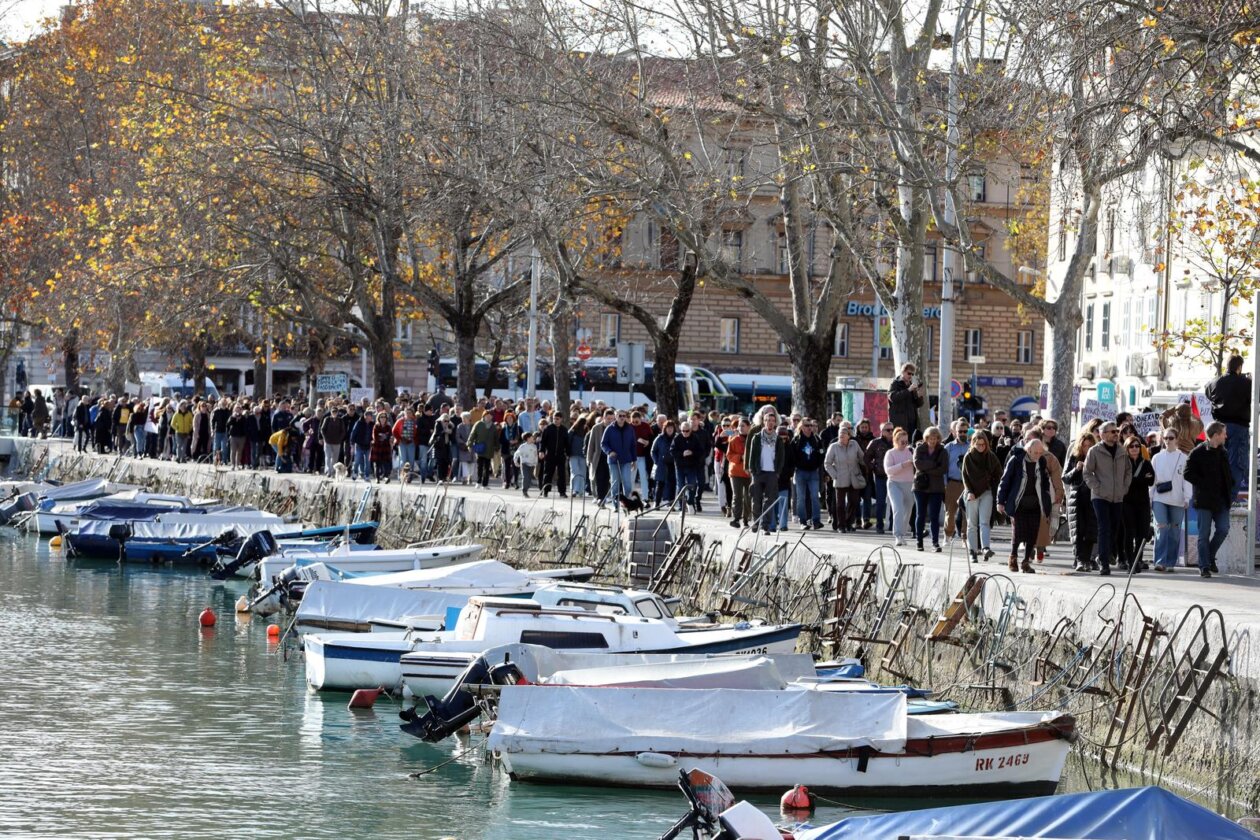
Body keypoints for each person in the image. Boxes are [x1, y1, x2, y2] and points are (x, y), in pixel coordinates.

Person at [1184, 422, 1233, 578]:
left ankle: (1209, 556)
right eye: (1224, 433)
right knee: (1203, 534)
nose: (1226, 436)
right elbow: (1187, 473)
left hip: (1222, 500)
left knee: (1223, 529)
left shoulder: (1223, 452)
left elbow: (1227, 474)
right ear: (1216, 434)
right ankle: (1204, 565)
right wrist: (1205, 484)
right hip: (1204, 500)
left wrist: (1230, 485)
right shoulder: (1197, 452)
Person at [1082, 422, 1132, 576]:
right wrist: (1097, 487)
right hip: (1100, 497)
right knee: (1104, 528)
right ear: (1103, 434)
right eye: (1112, 431)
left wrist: (1124, 488)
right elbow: (1087, 472)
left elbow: (1128, 470)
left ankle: (1104, 555)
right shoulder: (1094, 451)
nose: (1116, 434)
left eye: (1117, 431)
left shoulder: (1122, 451)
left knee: (1114, 529)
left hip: (1117, 497)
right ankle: (1104, 563)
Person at [997, 438, 1052, 574]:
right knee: (1018, 532)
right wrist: (1000, 501)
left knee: (1032, 534)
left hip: (1035, 503)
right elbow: (1005, 481)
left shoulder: (1042, 461)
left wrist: (1046, 499)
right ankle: (1013, 557)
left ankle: (1026, 562)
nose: (1038, 456)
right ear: (1028, 450)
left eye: (1041, 453)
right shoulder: (1016, 460)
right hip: (1018, 503)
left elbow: (1045, 481)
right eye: (1036, 453)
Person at [1206, 354, 1252, 499]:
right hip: (1239, 427)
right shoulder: (1246, 383)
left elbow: (1208, 392)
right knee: (1237, 464)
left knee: (1218, 460)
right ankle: (1229, 498)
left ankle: (1217, 494)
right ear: (1239, 367)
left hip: (1219, 428)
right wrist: (1249, 381)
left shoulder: (1215, 382)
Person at [1151, 428, 1193, 572]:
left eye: (1171, 438)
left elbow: (1187, 480)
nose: (1168, 441)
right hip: (1159, 497)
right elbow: (1152, 480)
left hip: (1177, 499)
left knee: (1174, 531)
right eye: (1165, 438)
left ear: (1176, 439)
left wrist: (1187, 497)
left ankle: (1170, 562)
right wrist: (1150, 497)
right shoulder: (1157, 457)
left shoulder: (1183, 458)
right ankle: (1160, 561)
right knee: (1161, 528)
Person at [961, 430, 1002, 562]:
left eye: (983, 444)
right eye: (977, 444)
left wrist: (992, 484)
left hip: (986, 491)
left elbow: (999, 473)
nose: (980, 447)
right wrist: (970, 491)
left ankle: (985, 548)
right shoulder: (968, 457)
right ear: (973, 443)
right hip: (972, 492)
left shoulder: (991, 456)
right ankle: (972, 550)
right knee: (972, 523)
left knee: (984, 522)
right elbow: (965, 476)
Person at [744, 407, 785, 534]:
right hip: (758, 472)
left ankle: (765, 526)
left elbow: (781, 456)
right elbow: (751, 454)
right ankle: (756, 522)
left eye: (773, 420)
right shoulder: (757, 437)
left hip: (772, 473)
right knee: (756, 500)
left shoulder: (778, 439)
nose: (770, 423)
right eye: (768, 420)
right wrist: (752, 470)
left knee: (769, 500)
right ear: (764, 421)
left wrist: (778, 471)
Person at [1063, 433, 1099, 572]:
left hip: (1092, 496)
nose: (1087, 448)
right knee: (1078, 529)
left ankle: (1087, 559)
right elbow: (1065, 478)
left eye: (1090, 446)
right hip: (1077, 497)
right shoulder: (1074, 457)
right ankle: (1079, 559)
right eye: (1085, 446)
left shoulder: (1097, 458)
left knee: (1090, 530)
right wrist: (1076, 469)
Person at [1119, 435, 1155, 573]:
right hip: (1127, 502)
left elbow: (1151, 480)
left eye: (1137, 446)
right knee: (1129, 533)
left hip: (1143, 503)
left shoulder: (1146, 463)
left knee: (1143, 533)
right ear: (1126, 448)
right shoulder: (1123, 463)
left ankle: (1136, 559)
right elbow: (1124, 482)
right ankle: (1130, 562)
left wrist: (1135, 479)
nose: (1134, 449)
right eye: (1131, 446)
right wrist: (1141, 479)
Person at [912, 426, 948, 552]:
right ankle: (919, 541)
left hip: (936, 488)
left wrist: (927, 468)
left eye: (935, 438)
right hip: (920, 486)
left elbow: (943, 469)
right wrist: (933, 465)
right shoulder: (919, 449)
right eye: (930, 438)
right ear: (926, 438)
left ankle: (935, 543)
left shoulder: (942, 451)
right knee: (920, 514)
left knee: (934, 516)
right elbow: (918, 464)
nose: (933, 441)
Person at [824, 425, 864, 532]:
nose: (841, 437)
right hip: (840, 478)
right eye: (840, 435)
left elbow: (861, 457)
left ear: (848, 436)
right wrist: (834, 475)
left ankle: (849, 523)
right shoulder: (833, 447)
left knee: (854, 502)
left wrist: (867, 465)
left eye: (843, 435)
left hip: (853, 477)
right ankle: (841, 526)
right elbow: (827, 463)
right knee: (840, 504)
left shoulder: (854, 444)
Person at [884, 428, 916, 546]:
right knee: (898, 508)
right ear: (896, 441)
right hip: (894, 483)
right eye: (902, 442)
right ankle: (897, 535)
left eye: (906, 442)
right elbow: (888, 471)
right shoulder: (890, 453)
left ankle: (902, 533)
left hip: (909, 484)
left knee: (908, 510)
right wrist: (903, 465)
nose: (904, 444)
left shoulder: (910, 451)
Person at [601, 409, 637, 502]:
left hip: (626, 460)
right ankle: (615, 504)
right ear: (616, 416)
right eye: (620, 416)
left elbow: (633, 445)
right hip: (613, 460)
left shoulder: (630, 428)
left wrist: (634, 460)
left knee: (627, 483)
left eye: (623, 416)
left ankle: (627, 504)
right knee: (615, 482)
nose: (622, 418)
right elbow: (603, 443)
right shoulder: (609, 428)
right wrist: (609, 452)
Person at [943, 418, 970, 543]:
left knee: (966, 513)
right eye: (960, 431)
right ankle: (948, 535)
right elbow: (944, 467)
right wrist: (945, 484)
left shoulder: (971, 446)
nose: (963, 434)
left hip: (967, 484)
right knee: (950, 512)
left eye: (965, 431)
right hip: (952, 483)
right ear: (955, 432)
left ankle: (965, 538)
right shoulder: (949, 447)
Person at [865, 422, 894, 534]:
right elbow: (866, 457)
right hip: (880, 476)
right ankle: (879, 526)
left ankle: (892, 525)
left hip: (893, 476)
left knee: (893, 502)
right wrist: (874, 467)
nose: (890, 432)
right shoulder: (875, 443)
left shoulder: (896, 442)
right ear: (882, 431)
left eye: (892, 429)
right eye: (888, 430)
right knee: (881, 502)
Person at [672, 421, 705, 512]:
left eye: (687, 431)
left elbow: (701, 451)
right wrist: (682, 454)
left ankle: (691, 503)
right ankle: (681, 504)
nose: (685, 433)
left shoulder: (695, 438)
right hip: (680, 466)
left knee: (692, 485)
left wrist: (692, 453)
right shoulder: (677, 438)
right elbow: (672, 451)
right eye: (683, 430)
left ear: (690, 430)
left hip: (691, 465)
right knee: (680, 485)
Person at [888, 364, 925, 442]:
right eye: (909, 373)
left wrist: (920, 396)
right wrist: (908, 390)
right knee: (900, 443)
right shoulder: (895, 383)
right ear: (903, 372)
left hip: (912, 422)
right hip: (900, 423)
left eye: (912, 374)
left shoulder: (911, 385)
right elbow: (893, 397)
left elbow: (918, 404)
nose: (910, 376)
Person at [726, 418, 751, 528]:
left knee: (748, 497)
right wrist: (740, 457)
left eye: (743, 426)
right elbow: (729, 455)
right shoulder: (734, 440)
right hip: (736, 472)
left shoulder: (752, 440)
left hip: (749, 473)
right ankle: (736, 519)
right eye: (739, 426)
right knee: (737, 496)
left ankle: (746, 519)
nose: (740, 428)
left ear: (748, 427)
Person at [538, 413, 569, 497]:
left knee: (561, 474)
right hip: (550, 454)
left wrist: (568, 453)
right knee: (548, 473)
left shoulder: (564, 430)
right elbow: (543, 442)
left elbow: (567, 443)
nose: (556, 420)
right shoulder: (548, 429)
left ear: (561, 419)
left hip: (560, 455)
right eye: (554, 418)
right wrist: (541, 451)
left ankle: (562, 492)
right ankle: (545, 491)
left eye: (558, 419)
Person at [853, 418, 876, 528]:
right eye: (862, 427)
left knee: (867, 497)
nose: (864, 429)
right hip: (857, 473)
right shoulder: (854, 440)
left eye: (866, 427)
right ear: (858, 428)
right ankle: (857, 519)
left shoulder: (873, 440)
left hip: (868, 473)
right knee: (856, 498)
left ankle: (866, 519)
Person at [651, 419, 678, 508]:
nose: (670, 430)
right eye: (668, 428)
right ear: (665, 429)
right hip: (662, 464)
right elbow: (653, 451)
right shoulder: (660, 438)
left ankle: (671, 503)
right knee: (660, 484)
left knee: (672, 484)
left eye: (671, 428)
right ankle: (657, 502)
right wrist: (656, 461)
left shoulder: (677, 437)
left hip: (673, 464)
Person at [370, 413, 395, 482]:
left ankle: (386, 477)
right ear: (379, 418)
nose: (383, 418)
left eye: (384, 417)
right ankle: (377, 478)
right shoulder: (376, 426)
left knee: (386, 463)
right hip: (377, 446)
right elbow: (375, 436)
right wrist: (383, 437)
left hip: (385, 447)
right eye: (381, 417)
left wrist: (385, 437)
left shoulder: (388, 427)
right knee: (377, 464)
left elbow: (390, 435)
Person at [568, 416, 589, 497]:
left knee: (583, 472)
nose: (585, 425)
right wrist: (567, 453)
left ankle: (581, 490)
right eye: (584, 424)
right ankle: (574, 489)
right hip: (573, 454)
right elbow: (568, 442)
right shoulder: (572, 431)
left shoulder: (586, 432)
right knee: (575, 471)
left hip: (583, 455)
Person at [513, 432, 539, 497]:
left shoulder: (534, 446)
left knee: (529, 479)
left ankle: (526, 490)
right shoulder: (523, 446)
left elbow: (535, 455)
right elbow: (516, 454)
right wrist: (515, 461)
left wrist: (536, 463)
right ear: (528, 438)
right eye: (532, 437)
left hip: (532, 465)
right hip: (524, 464)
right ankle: (524, 491)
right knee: (526, 477)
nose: (533, 438)